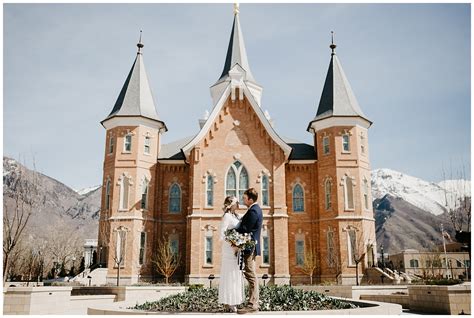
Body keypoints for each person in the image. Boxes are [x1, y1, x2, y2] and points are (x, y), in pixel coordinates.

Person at [235, 188, 263, 314]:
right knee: (250, 273)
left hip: (250, 246)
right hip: (251, 245)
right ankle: (253, 303)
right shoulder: (254, 210)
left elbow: (245, 229)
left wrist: (234, 229)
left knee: (250, 274)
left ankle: (253, 304)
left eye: (244, 198)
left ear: (250, 199)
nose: (243, 200)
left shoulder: (253, 211)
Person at [218, 196, 244, 312]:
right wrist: (233, 244)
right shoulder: (227, 217)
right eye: (236, 202)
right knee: (230, 275)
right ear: (231, 204)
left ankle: (235, 300)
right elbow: (222, 234)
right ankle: (230, 302)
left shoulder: (237, 216)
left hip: (237, 249)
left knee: (236, 274)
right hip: (229, 250)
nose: (238, 203)